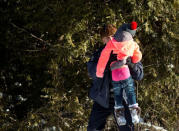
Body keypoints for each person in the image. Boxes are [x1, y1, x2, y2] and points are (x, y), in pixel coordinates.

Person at [87, 23, 144, 131]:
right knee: (92, 128)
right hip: (102, 98)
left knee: (127, 129)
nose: (109, 40)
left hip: (123, 100)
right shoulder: (100, 53)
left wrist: (130, 63)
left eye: (112, 37)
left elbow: (139, 75)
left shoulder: (128, 50)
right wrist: (106, 65)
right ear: (102, 40)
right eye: (106, 38)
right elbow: (91, 71)